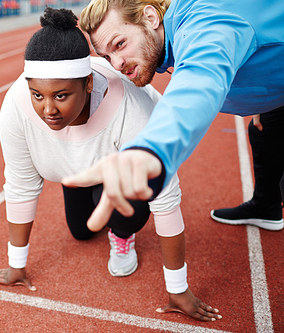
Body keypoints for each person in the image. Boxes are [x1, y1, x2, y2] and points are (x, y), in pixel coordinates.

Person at [0, 7, 221, 322]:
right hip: (78, 168)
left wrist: (177, 289)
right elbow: (21, 184)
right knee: (81, 232)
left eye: (61, 96)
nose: (48, 109)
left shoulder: (131, 108)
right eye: (37, 95)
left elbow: (165, 199)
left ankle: (122, 235)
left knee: (127, 211)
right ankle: (89, 190)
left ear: (89, 85)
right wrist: (17, 265)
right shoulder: (16, 106)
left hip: (121, 166)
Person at [63, 0, 284, 233]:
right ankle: (266, 206)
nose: (117, 64)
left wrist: (152, 150)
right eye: (107, 57)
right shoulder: (175, 33)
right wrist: (267, 100)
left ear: (151, 18)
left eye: (120, 44)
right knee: (265, 134)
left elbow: (198, 80)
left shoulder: (203, 24)